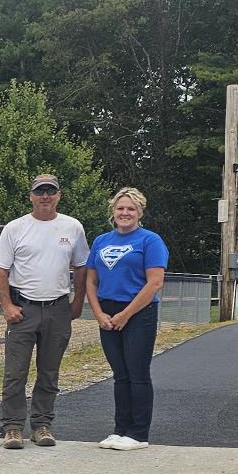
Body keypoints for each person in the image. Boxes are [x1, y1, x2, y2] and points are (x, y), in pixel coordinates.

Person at [0, 173, 88, 449]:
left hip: (57, 307)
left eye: (51, 191)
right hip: (24, 308)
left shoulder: (72, 227)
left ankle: (42, 424)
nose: (45, 196)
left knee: (49, 371)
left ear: (59, 195)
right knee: (15, 372)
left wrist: (77, 302)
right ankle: (12, 427)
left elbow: (81, 267)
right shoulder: (15, 228)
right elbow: (0, 270)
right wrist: (7, 305)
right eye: (40, 191)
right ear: (31, 196)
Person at [85, 187, 168, 451]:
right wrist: (99, 313)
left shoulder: (150, 241)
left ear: (139, 212)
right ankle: (120, 429)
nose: (125, 213)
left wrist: (126, 314)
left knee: (137, 373)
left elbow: (155, 283)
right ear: (113, 211)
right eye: (120, 208)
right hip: (107, 311)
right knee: (120, 375)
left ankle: (138, 433)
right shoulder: (101, 241)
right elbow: (90, 280)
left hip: (138, 312)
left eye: (131, 209)